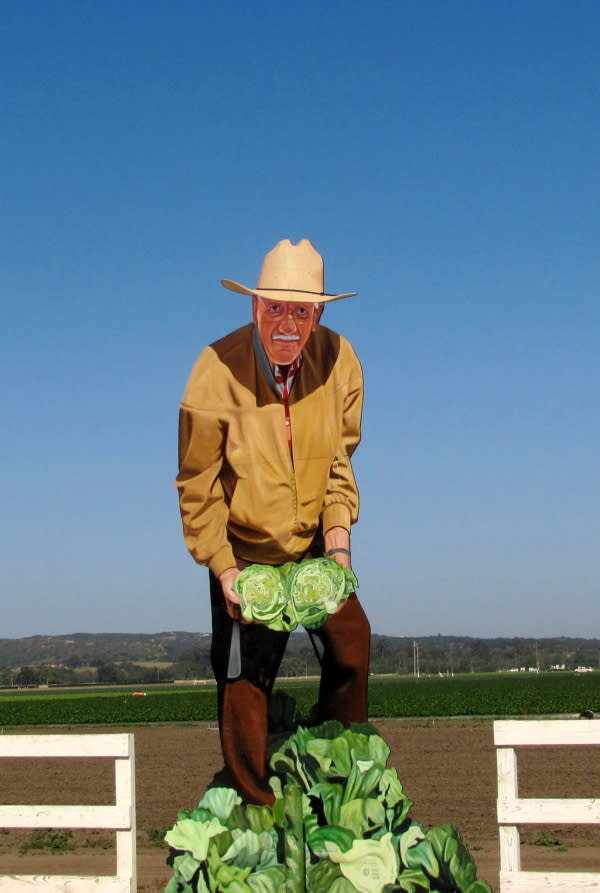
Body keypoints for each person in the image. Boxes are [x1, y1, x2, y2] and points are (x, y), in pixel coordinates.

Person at [175, 238, 370, 805]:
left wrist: (337, 548)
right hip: (244, 548)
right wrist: (224, 569)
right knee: (244, 683)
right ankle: (253, 802)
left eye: (301, 310)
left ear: (320, 314)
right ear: (254, 307)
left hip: (312, 541)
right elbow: (197, 483)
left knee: (352, 643)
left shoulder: (342, 362)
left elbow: (340, 462)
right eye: (275, 308)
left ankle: (338, 765)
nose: (288, 322)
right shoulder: (213, 372)